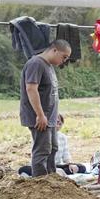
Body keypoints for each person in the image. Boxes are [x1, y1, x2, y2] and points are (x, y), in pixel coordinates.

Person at [19, 40, 72, 177]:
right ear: (54, 50)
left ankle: (51, 181)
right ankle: (40, 185)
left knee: (52, 148)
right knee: (42, 151)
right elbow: (31, 89)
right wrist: (40, 114)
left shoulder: (49, 66)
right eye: (64, 56)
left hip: (50, 118)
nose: (64, 60)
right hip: (40, 118)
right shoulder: (36, 63)